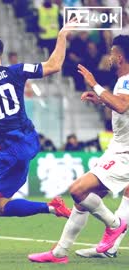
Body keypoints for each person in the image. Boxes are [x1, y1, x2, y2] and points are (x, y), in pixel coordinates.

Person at [0, 24, 73, 233]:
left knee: (2, 206)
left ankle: (51, 208)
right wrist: (62, 35)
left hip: (11, 149)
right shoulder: (17, 70)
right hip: (29, 138)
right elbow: (54, 65)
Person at [28, 35, 129, 264]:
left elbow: (122, 106)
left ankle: (115, 226)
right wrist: (102, 100)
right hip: (118, 149)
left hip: (124, 153)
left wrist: (94, 84)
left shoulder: (126, 80)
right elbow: (123, 105)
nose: (109, 58)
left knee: (78, 191)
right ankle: (59, 253)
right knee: (83, 201)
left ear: (120, 57)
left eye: (112, 53)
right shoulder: (124, 82)